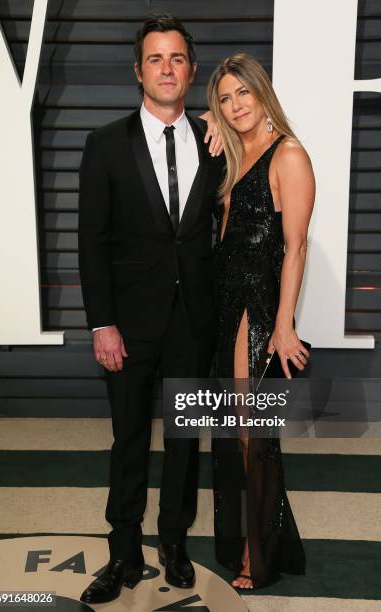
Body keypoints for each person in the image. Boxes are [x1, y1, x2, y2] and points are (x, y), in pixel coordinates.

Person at [78, 15, 223, 604]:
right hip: (129, 326)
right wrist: (101, 321)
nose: (168, 68)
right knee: (129, 439)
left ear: (191, 70)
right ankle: (123, 551)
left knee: (186, 439)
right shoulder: (105, 143)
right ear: (138, 70)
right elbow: (93, 241)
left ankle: (173, 543)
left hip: (195, 320)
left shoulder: (217, 141)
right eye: (156, 59)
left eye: (178, 58)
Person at [207, 53, 315, 590]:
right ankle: (270, 541)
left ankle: (257, 556)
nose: (234, 105)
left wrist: (284, 325)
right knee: (233, 435)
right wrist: (208, 122)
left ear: (261, 92)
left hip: (257, 312)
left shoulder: (287, 154)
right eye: (224, 98)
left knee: (251, 436)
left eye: (242, 93)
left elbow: (295, 248)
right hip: (226, 311)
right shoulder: (234, 153)